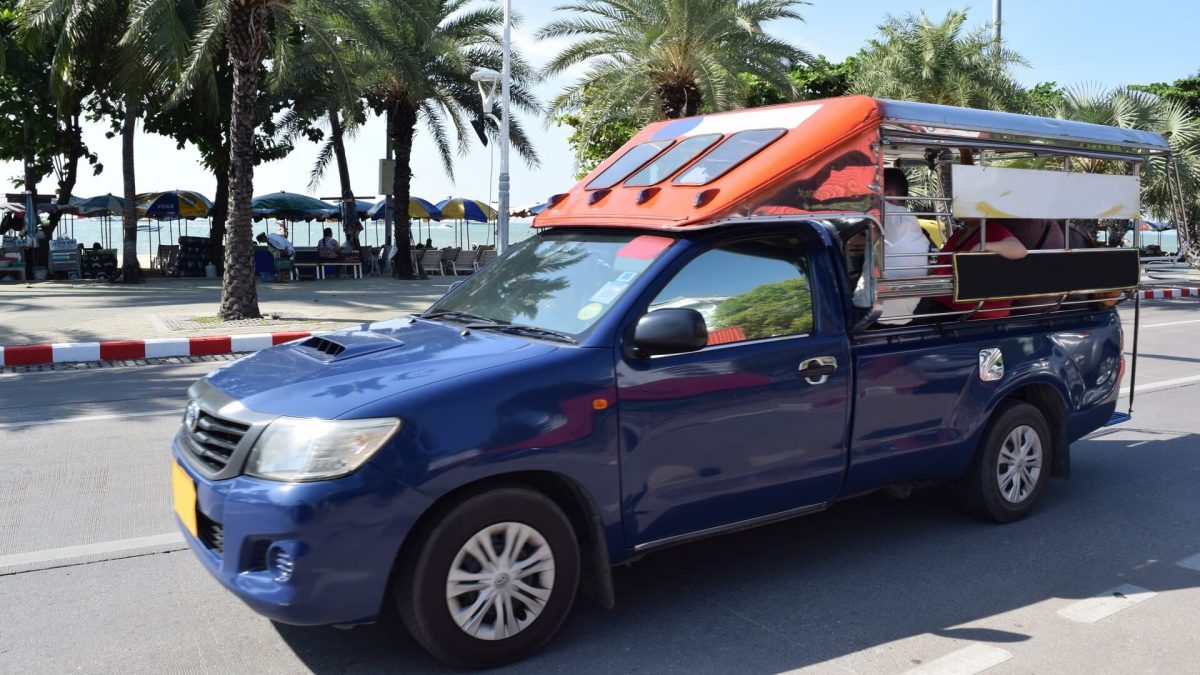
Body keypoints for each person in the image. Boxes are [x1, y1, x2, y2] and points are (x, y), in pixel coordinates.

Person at [852, 168, 931, 324]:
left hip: (872, 313)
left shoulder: (891, 213)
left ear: (890, 193)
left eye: (877, 190)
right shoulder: (909, 221)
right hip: (905, 315)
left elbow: (858, 202)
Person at [921, 219, 1028, 319]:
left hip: (974, 314)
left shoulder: (991, 229)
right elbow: (943, 261)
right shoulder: (960, 232)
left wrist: (983, 246)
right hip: (945, 301)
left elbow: (1020, 250)